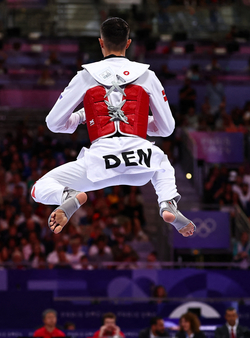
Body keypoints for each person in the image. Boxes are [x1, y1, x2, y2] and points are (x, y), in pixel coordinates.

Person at [32, 17, 195, 238]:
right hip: (141, 161)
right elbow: (166, 128)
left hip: (100, 163)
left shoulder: (85, 76)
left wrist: (82, 116)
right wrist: (136, 122)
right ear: (128, 44)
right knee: (161, 162)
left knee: (39, 188)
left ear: (101, 43)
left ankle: (66, 196)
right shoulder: (148, 75)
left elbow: (54, 123)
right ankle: (167, 202)